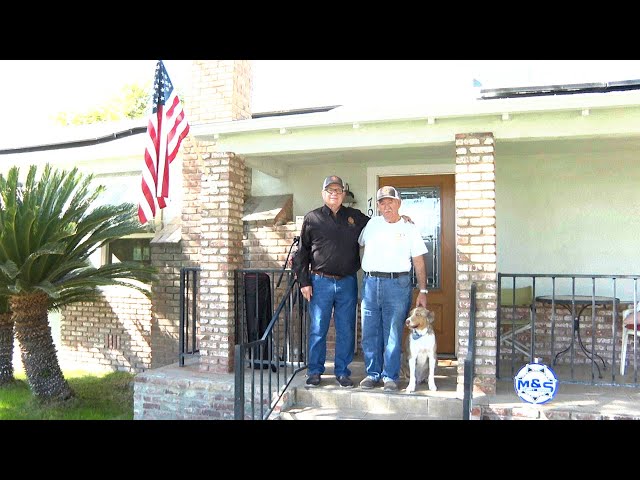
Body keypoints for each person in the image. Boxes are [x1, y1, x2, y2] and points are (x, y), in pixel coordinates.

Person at [293, 175, 370, 388]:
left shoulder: (355, 217)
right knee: (318, 328)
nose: (334, 193)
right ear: (323, 193)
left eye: (338, 190)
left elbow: (379, 227)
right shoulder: (312, 218)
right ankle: (315, 371)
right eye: (330, 190)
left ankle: (342, 372)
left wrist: (402, 219)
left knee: (346, 329)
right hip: (320, 282)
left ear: (343, 194)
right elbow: (302, 253)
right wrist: (304, 282)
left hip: (347, 283)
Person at [358, 185, 429, 392]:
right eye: (382, 202)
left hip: (397, 284)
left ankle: (390, 377)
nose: (386, 206)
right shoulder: (372, 224)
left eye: (390, 201)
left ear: (399, 203)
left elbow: (419, 261)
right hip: (371, 283)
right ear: (378, 206)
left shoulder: (409, 228)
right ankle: (372, 374)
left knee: (392, 332)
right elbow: (359, 242)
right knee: (370, 331)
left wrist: (423, 291)